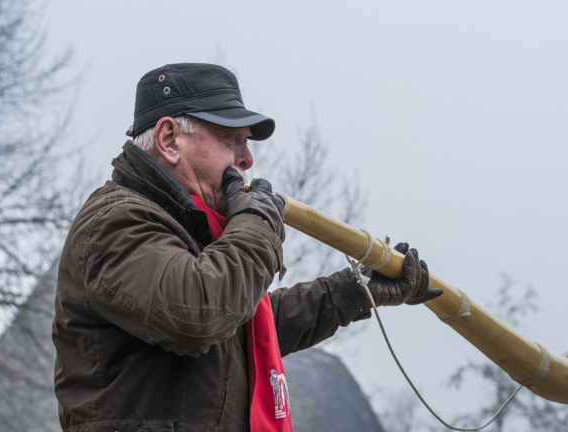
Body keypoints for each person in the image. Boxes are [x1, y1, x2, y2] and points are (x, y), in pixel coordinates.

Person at [52, 63, 442, 432]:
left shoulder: (192, 227)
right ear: (169, 140)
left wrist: (352, 293)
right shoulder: (114, 221)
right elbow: (199, 312)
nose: (247, 158)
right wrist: (257, 224)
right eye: (230, 138)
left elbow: (244, 326)